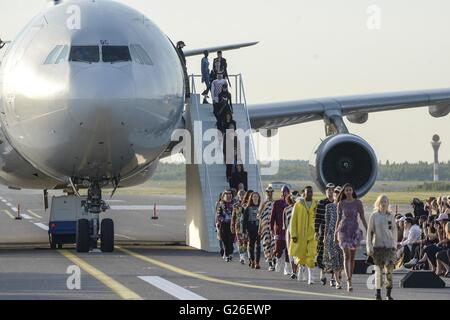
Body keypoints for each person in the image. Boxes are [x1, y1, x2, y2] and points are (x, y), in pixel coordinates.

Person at [334, 183, 368, 292]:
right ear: (344, 192)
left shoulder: (358, 203)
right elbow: (338, 219)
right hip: (343, 231)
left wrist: (368, 229)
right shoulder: (341, 203)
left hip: (354, 231)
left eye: (350, 190)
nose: (348, 192)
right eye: (346, 190)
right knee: (346, 255)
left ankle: (350, 278)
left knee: (352, 257)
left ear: (352, 191)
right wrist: (335, 233)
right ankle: (348, 281)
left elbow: (362, 217)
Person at [367, 195, 397, 300]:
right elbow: (369, 232)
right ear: (378, 203)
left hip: (389, 247)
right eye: (382, 201)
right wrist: (369, 246)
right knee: (378, 271)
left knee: (389, 271)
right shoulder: (374, 216)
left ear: (388, 203)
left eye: (385, 201)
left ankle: (388, 294)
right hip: (378, 247)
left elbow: (394, 232)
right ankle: (378, 293)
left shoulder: (391, 216)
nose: (383, 203)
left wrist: (394, 246)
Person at [289, 186, 318, 285]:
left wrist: (319, 232)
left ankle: (311, 277)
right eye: (308, 192)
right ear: (304, 193)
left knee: (311, 256)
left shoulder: (315, 205)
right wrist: (293, 234)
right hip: (300, 235)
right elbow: (293, 220)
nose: (310, 193)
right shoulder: (298, 205)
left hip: (312, 235)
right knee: (300, 256)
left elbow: (318, 220)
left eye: (311, 192)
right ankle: (301, 268)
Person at [323, 186, 344, 289]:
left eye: (339, 192)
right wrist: (324, 236)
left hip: (343, 237)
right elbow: (326, 223)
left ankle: (338, 275)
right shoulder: (329, 207)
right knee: (334, 258)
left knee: (341, 259)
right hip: (331, 236)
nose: (336, 193)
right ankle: (337, 281)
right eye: (335, 191)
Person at [315, 183, 335, 285]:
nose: (330, 192)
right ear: (325, 191)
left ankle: (333, 277)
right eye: (328, 190)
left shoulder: (337, 203)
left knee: (333, 254)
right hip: (323, 232)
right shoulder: (321, 203)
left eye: (332, 190)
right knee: (321, 253)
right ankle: (322, 273)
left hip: (334, 233)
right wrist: (316, 231)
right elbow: (317, 218)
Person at [270, 185, 290, 273]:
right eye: (282, 192)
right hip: (279, 230)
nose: (284, 193)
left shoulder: (291, 203)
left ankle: (287, 267)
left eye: (285, 191)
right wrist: (271, 229)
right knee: (278, 249)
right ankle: (278, 261)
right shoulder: (277, 203)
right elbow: (272, 217)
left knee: (288, 250)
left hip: (289, 231)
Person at [243, 192, 262, 269]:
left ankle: (257, 262)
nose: (255, 198)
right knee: (251, 245)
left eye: (256, 196)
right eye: (254, 196)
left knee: (258, 245)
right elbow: (245, 220)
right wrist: (244, 230)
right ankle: (252, 260)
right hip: (251, 228)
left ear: (258, 198)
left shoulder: (261, 207)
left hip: (259, 228)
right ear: (251, 198)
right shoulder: (248, 208)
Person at [259, 185, 275, 271]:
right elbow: (260, 216)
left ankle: (274, 261)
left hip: (273, 227)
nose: (269, 193)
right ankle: (270, 263)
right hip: (264, 226)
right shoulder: (263, 203)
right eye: (268, 192)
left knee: (273, 244)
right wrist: (259, 228)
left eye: (271, 192)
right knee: (266, 244)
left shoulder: (275, 203)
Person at [232, 190, 250, 265]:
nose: (241, 196)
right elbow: (233, 216)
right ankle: (241, 257)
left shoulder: (247, 205)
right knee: (240, 241)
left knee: (245, 242)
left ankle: (245, 254)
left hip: (245, 226)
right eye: (240, 195)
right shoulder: (236, 205)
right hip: (238, 225)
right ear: (238, 196)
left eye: (243, 194)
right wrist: (232, 225)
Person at [216, 190, 234, 262]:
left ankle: (230, 252)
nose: (228, 196)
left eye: (229, 194)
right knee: (224, 240)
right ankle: (226, 255)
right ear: (223, 196)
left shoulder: (234, 204)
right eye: (226, 194)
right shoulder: (220, 204)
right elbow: (218, 215)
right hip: (224, 225)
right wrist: (222, 220)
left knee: (230, 240)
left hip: (232, 224)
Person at [283, 195, 295, 278]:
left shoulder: (301, 208)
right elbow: (285, 223)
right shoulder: (286, 209)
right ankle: (293, 271)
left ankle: (299, 269)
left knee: (298, 252)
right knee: (290, 251)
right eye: (292, 198)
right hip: (289, 231)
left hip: (299, 232)